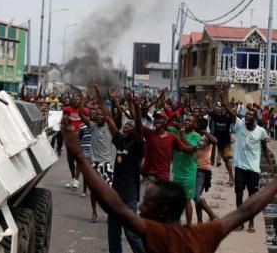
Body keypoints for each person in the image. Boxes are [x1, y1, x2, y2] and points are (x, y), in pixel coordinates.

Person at [61, 115, 277, 253]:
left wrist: (80, 156)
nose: (142, 207)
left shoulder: (155, 235)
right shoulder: (204, 235)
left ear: (162, 211)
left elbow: (114, 206)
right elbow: (247, 209)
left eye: (147, 202)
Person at [219, 85, 274, 233]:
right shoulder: (240, 125)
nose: (246, 117)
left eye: (250, 116)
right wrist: (222, 93)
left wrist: (270, 166)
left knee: (252, 197)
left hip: (254, 169)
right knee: (238, 194)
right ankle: (240, 222)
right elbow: (229, 110)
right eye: (246, 115)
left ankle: (250, 223)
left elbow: (264, 148)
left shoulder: (261, 131)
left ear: (255, 118)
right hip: (240, 167)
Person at [108, 92, 145, 253]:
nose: (126, 126)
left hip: (129, 195)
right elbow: (109, 120)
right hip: (115, 195)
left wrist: (136, 107)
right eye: (126, 124)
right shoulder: (120, 140)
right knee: (113, 233)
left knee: (131, 233)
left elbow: (139, 127)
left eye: (130, 126)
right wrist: (105, 98)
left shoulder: (137, 145)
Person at [168, 115, 200, 225]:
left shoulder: (196, 136)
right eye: (185, 120)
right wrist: (173, 119)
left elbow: (190, 148)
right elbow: (164, 125)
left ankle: (189, 226)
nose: (186, 122)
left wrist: (181, 131)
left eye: (189, 121)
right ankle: (174, 223)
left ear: (194, 124)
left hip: (189, 173)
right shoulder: (176, 131)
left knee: (187, 200)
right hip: (177, 172)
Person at [194, 117, 218, 223]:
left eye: (195, 124)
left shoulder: (206, 137)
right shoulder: (194, 136)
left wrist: (205, 132)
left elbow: (215, 141)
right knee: (196, 196)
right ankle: (200, 221)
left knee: (196, 196)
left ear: (200, 126)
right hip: (194, 168)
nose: (194, 125)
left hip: (203, 169)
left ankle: (212, 215)